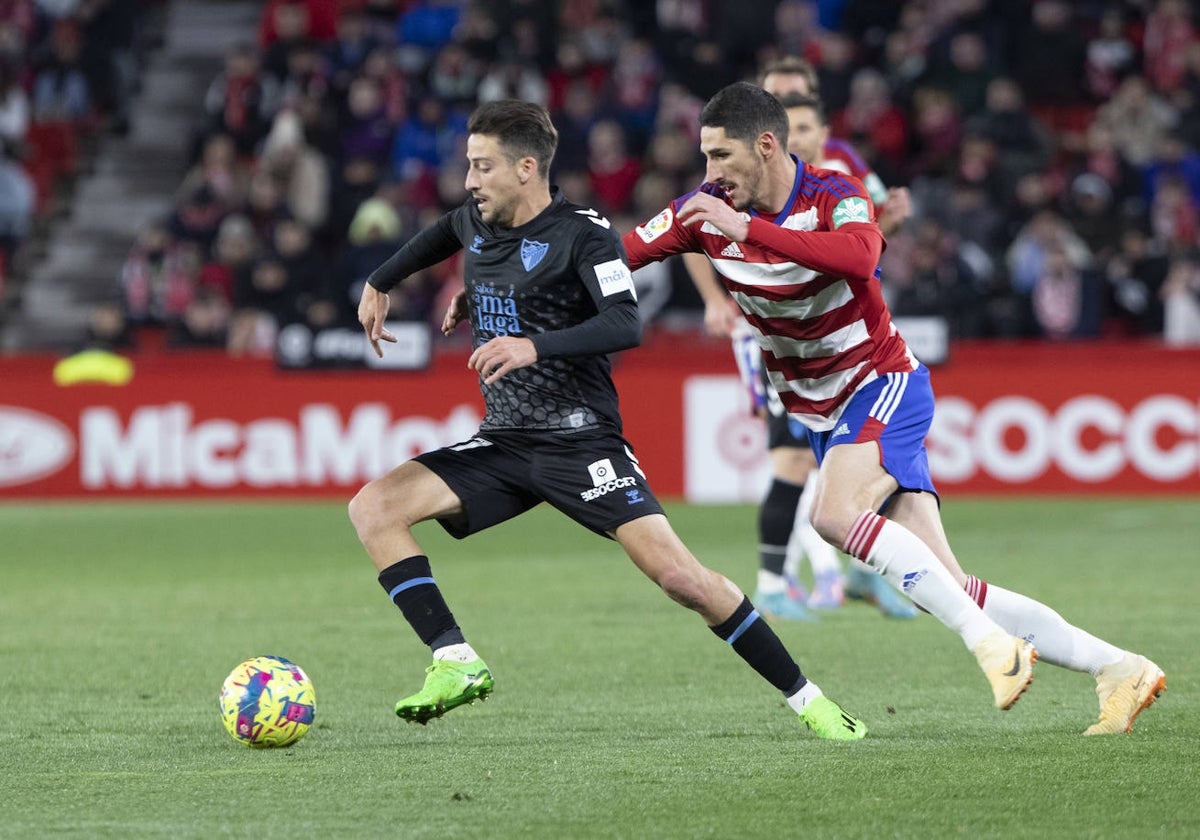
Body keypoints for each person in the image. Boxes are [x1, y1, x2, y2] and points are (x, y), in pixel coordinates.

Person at [623, 82, 1165, 733]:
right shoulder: (699, 212)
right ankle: (1120, 668)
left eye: (721, 157)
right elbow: (614, 257)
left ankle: (993, 647)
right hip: (823, 413)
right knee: (951, 585)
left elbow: (862, 253)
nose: (709, 175)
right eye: (704, 158)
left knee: (832, 513)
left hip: (881, 384)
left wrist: (752, 229)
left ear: (766, 146)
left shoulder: (833, 193)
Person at [350, 98, 866, 740]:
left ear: (526, 168)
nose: (470, 181)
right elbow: (438, 237)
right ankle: (455, 661)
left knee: (684, 581)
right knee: (374, 508)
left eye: (482, 167)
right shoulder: (474, 223)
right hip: (505, 442)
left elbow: (626, 323)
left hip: (579, 442)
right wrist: (381, 281)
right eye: (469, 166)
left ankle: (810, 699)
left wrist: (530, 345)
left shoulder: (583, 234)